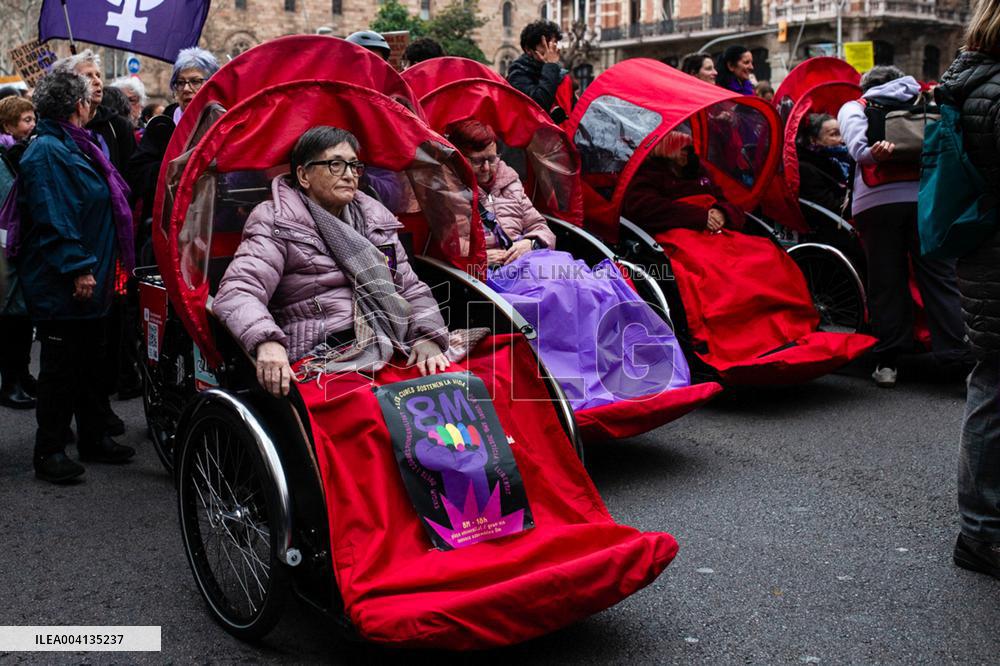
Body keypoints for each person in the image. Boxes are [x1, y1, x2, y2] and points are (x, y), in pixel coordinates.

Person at [212, 126, 450, 397]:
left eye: (354, 166)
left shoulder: (374, 220)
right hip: (323, 352)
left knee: (461, 385)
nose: (349, 175)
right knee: (371, 409)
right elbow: (238, 292)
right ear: (303, 175)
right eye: (335, 165)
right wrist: (267, 341)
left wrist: (428, 336)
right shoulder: (275, 219)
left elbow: (410, 289)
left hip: (391, 340)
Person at [16, 70, 136, 483]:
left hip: (92, 276)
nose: (92, 106)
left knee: (90, 363)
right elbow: (55, 215)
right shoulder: (48, 150)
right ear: (77, 106)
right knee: (61, 368)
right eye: (88, 100)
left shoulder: (76, 144)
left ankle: (93, 437)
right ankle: (48, 451)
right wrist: (78, 268)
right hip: (66, 281)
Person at [839, 65, 969, 387]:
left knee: (886, 279)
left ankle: (888, 361)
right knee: (939, 277)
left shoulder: (857, 107)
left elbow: (859, 151)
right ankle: (957, 360)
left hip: (877, 203)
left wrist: (874, 153)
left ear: (865, 86)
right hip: (927, 198)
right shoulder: (925, 99)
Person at [937, 0, 1000, 580]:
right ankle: (981, 532)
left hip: (981, 249)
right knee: (994, 388)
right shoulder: (993, 89)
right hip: (993, 255)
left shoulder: (975, 82)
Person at [444, 119, 554, 267]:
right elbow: (447, 249)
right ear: (459, 159)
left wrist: (532, 243)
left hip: (526, 262)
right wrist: (479, 259)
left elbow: (540, 226)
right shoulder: (447, 193)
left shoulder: (510, 182)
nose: (487, 168)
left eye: (491, 158)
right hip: (486, 276)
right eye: (477, 161)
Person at [623, 130, 745, 233]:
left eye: (689, 149)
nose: (686, 153)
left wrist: (723, 213)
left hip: (715, 234)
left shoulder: (698, 170)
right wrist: (700, 216)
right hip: (680, 237)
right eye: (682, 149)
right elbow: (644, 209)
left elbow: (724, 201)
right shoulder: (649, 173)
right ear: (666, 151)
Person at [0, 95, 37, 410]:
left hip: (20, 243)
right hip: (3, 246)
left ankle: (22, 374)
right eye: (26, 120)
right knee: (10, 313)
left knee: (23, 313)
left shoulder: (21, 152)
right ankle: (9, 380)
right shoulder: (4, 154)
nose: (32, 125)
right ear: (8, 125)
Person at [52, 51, 135, 175]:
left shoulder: (118, 125)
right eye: (88, 76)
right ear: (69, 85)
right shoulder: (55, 127)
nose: (97, 81)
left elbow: (131, 176)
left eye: (98, 75)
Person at [506, 20, 571, 123]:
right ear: (528, 50)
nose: (550, 51)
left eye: (553, 44)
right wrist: (550, 65)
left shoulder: (561, 76)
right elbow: (539, 105)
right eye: (543, 46)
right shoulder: (518, 73)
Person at [796, 113, 852, 216]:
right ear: (813, 140)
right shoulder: (805, 169)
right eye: (834, 134)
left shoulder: (837, 161)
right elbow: (831, 208)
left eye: (842, 133)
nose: (842, 140)